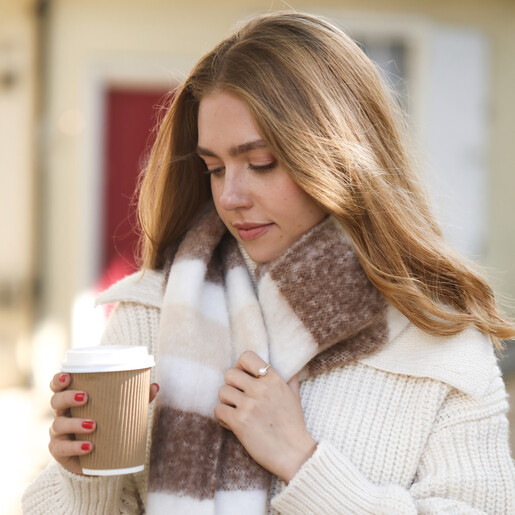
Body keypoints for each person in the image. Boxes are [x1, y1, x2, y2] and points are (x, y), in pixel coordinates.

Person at [23, 11, 515, 514]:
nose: (230, 196)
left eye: (261, 164)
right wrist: (84, 480)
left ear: (338, 158)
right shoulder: (153, 311)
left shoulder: (436, 340)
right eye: (214, 168)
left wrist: (303, 462)